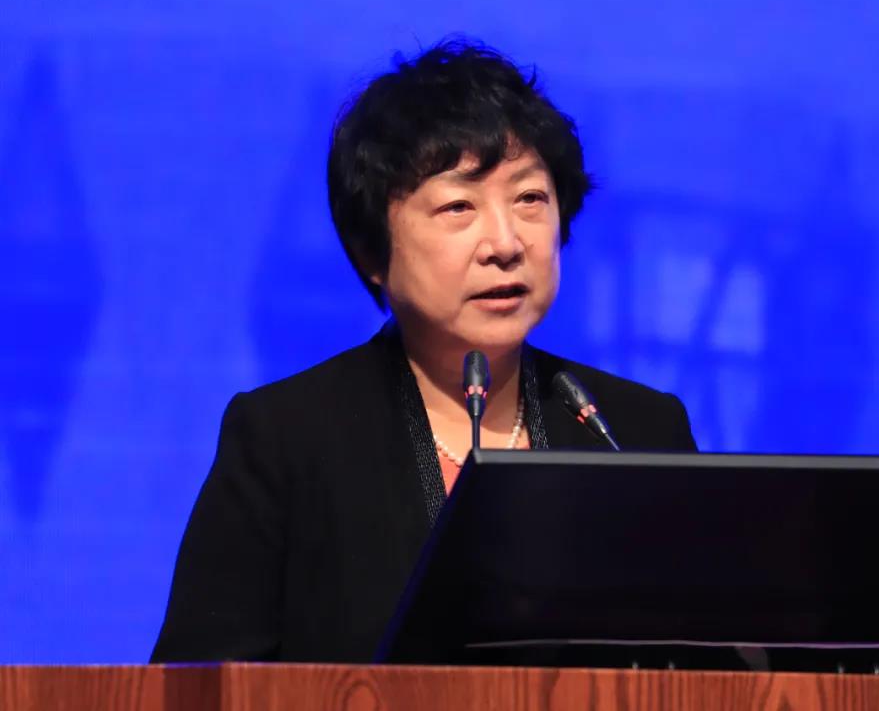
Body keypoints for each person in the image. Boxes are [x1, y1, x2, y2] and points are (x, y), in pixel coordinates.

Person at [151, 40, 696, 663]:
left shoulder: (634, 429)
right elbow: (196, 681)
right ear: (372, 253)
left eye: (529, 200)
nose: (505, 243)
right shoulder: (288, 438)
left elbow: (717, 666)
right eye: (459, 206)